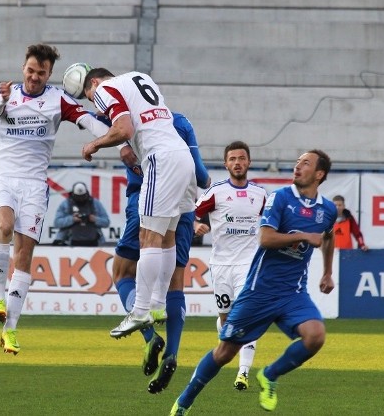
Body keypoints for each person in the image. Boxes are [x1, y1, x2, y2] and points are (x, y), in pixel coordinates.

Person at [170, 149, 337, 415]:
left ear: (319, 174)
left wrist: (327, 272)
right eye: (296, 162)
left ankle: (269, 375)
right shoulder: (280, 198)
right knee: (225, 352)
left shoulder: (327, 209)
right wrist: (305, 236)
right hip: (259, 291)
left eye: (304, 164)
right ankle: (184, 401)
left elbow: (328, 236)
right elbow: (266, 239)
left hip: (293, 293)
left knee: (316, 336)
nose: (297, 167)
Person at [0, 44, 112, 355]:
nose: (34, 77)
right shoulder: (6, 93)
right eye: (30, 70)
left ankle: (10, 330)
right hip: (3, 175)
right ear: (23, 68)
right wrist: (0, 99)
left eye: (41, 72)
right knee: (4, 225)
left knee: (24, 257)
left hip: (34, 185)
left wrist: (111, 134)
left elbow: (87, 120)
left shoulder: (58, 100)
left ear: (50, 74)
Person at [81, 68, 198, 339]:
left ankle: (140, 310)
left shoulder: (103, 89)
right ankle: (157, 306)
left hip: (160, 159)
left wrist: (94, 145)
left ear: (95, 82)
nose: (94, 102)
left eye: (90, 95)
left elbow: (124, 129)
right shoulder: (140, 78)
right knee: (167, 236)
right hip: (183, 158)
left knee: (149, 237)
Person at [112, 111, 210, 394]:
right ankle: (172, 354)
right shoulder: (181, 122)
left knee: (122, 272)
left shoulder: (129, 123)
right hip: (184, 206)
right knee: (175, 282)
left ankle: (150, 336)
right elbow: (201, 175)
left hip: (145, 202)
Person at [193, 141, 267, 391]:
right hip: (221, 265)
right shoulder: (216, 192)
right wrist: (195, 226)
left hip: (249, 264)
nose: (237, 162)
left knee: (247, 317)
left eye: (242, 158)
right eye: (233, 159)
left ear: (249, 162)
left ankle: (243, 372)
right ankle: (225, 346)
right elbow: (191, 214)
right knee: (226, 321)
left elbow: (272, 224)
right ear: (226, 164)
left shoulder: (260, 195)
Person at [53, 181, 110, 246]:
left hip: (94, 242)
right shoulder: (65, 204)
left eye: (83, 197)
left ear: (87, 194)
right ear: (73, 195)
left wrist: (95, 219)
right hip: (70, 243)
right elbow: (57, 223)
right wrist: (72, 219)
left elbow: (106, 222)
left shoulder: (95, 203)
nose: (81, 200)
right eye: (78, 197)